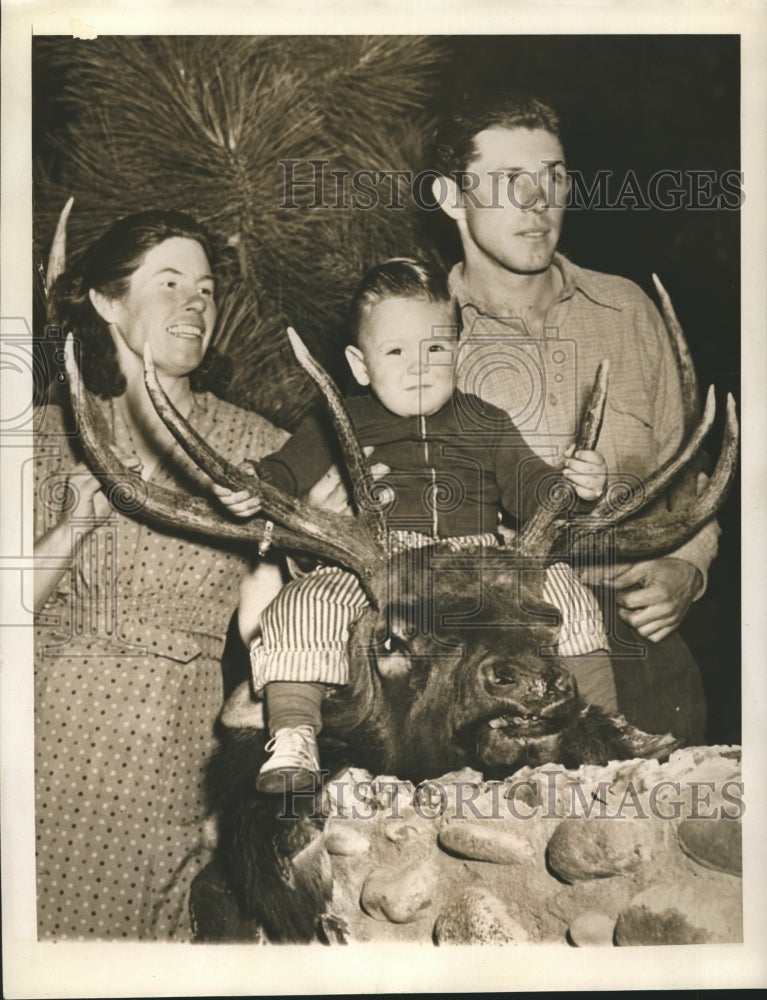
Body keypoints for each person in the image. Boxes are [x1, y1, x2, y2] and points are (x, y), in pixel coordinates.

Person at [217, 258, 610, 793]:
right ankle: (292, 736)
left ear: (458, 352)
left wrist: (577, 486)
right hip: (383, 563)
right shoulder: (340, 419)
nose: (418, 365)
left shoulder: (486, 419)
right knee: (302, 605)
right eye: (396, 351)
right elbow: (283, 473)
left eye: (435, 349)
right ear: (360, 365)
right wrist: (252, 484)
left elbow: (533, 488)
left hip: (481, 563)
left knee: (568, 591)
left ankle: (603, 725)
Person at [429, 87, 718, 741]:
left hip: (642, 643)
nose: (538, 203)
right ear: (451, 197)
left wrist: (687, 567)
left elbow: (687, 472)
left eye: (551, 177)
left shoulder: (626, 311)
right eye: (508, 180)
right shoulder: (420, 340)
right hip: (494, 655)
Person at [33, 210, 288, 940]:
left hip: (165, 750)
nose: (194, 305)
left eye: (206, 291)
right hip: (39, 731)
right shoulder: (40, 435)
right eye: (168, 283)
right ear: (108, 302)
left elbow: (267, 624)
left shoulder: (259, 449)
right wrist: (72, 524)